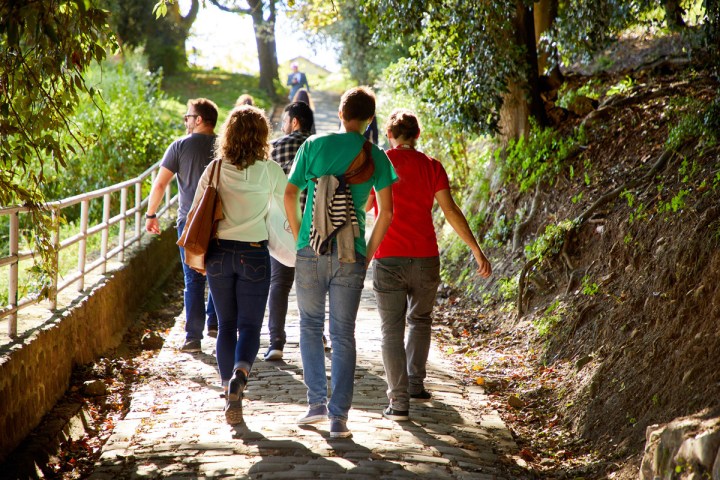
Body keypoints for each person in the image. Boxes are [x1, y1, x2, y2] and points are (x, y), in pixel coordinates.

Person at [284, 86, 398, 438]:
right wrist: (368, 254)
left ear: (340, 114)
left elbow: (289, 195)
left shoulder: (313, 146)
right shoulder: (376, 155)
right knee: (343, 335)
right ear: (369, 120)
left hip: (310, 250)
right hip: (352, 253)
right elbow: (387, 212)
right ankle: (339, 419)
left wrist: (298, 235)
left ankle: (316, 402)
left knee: (309, 326)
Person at [367, 109, 492, 422]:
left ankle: (398, 403)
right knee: (420, 320)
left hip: (389, 256)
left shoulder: (380, 162)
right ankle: (415, 384)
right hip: (426, 258)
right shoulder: (432, 166)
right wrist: (476, 249)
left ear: (390, 135)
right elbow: (450, 211)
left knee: (391, 331)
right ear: (417, 136)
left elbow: (367, 205)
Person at [190, 105, 288, 425]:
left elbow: (196, 211)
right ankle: (240, 376)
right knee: (249, 327)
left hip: (219, 255)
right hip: (254, 254)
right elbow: (286, 209)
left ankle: (225, 387)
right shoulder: (269, 170)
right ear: (262, 136)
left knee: (225, 325)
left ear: (228, 134)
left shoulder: (215, 169)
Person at [146, 98, 219, 352]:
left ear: (198, 119)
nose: (186, 121)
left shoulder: (178, 146)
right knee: (218, 274)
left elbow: (159, 184)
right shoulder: (224, 146)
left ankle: (193, 338)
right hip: (221, 222)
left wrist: (151, 214)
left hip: (189, 222)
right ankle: (215, 323)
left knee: (193, 279)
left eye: (188, 117)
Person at [264, 101, 315, 361]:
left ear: (294, 121)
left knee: (279, 284)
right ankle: (319, 337)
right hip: (315, 229)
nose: (282, 126)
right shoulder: (318, 146)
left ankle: (276, 343)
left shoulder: (278, 147)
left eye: (284, 121)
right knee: (314, 287)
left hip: (283, 228)